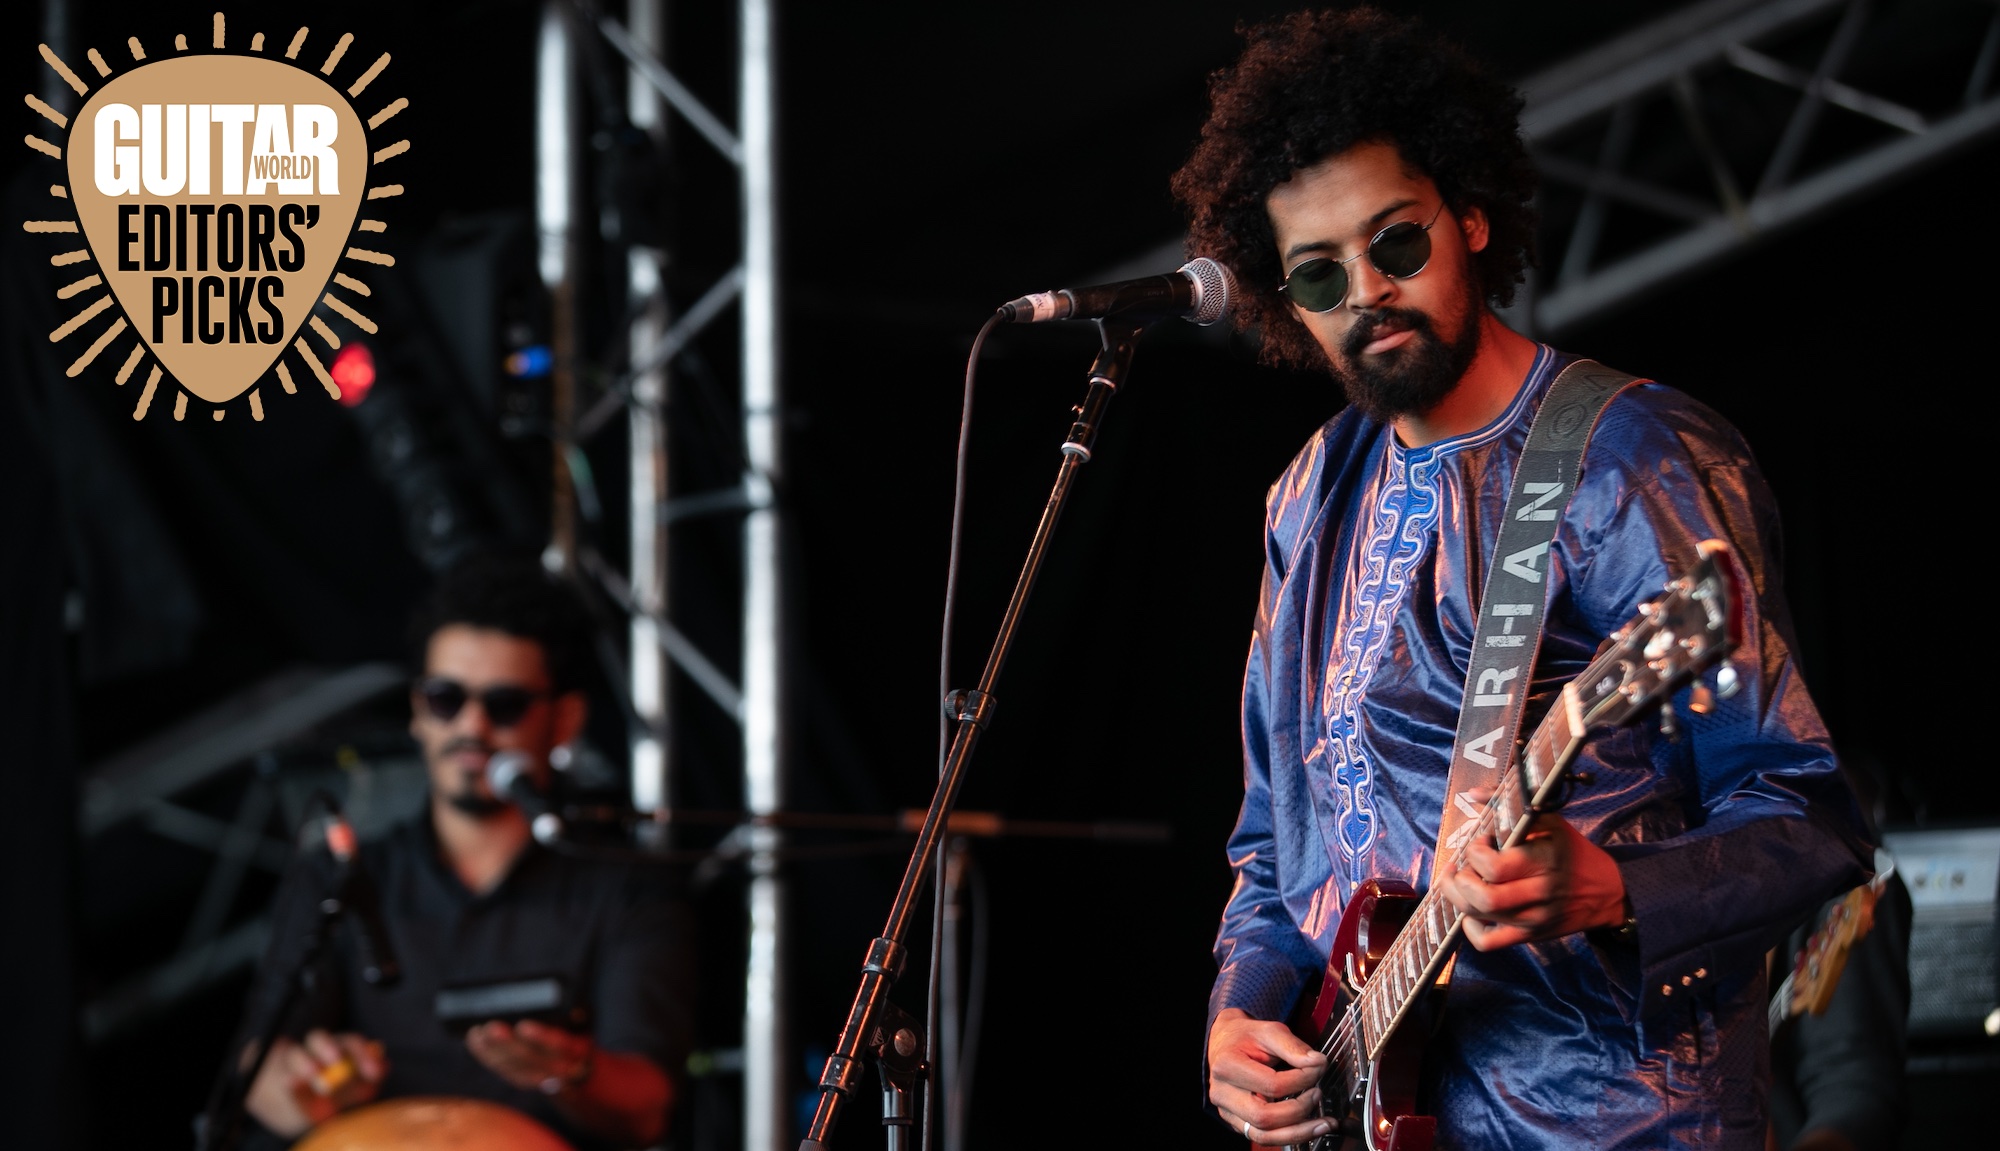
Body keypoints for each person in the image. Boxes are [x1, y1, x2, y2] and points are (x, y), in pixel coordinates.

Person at [1174, 10, 1873, 1148]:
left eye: (1395, 245)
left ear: (1470, 216)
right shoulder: (1305, 497)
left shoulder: (1626, 458)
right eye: (1318, 273)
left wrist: (1611, 887)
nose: (1366, 291)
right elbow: (1270, 846)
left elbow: (1806, 821)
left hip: (1616, 1122)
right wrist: (1238, 1014)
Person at [232, 553, 694, 1150]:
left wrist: (571, 1071)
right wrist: (304, 1089)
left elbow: (647, 1107)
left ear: (563, 720)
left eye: (504, 704)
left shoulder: (627, 887)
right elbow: (257, 1067)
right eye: (446, 698)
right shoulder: (340, 874)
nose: (471, 727)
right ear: (418, 711)